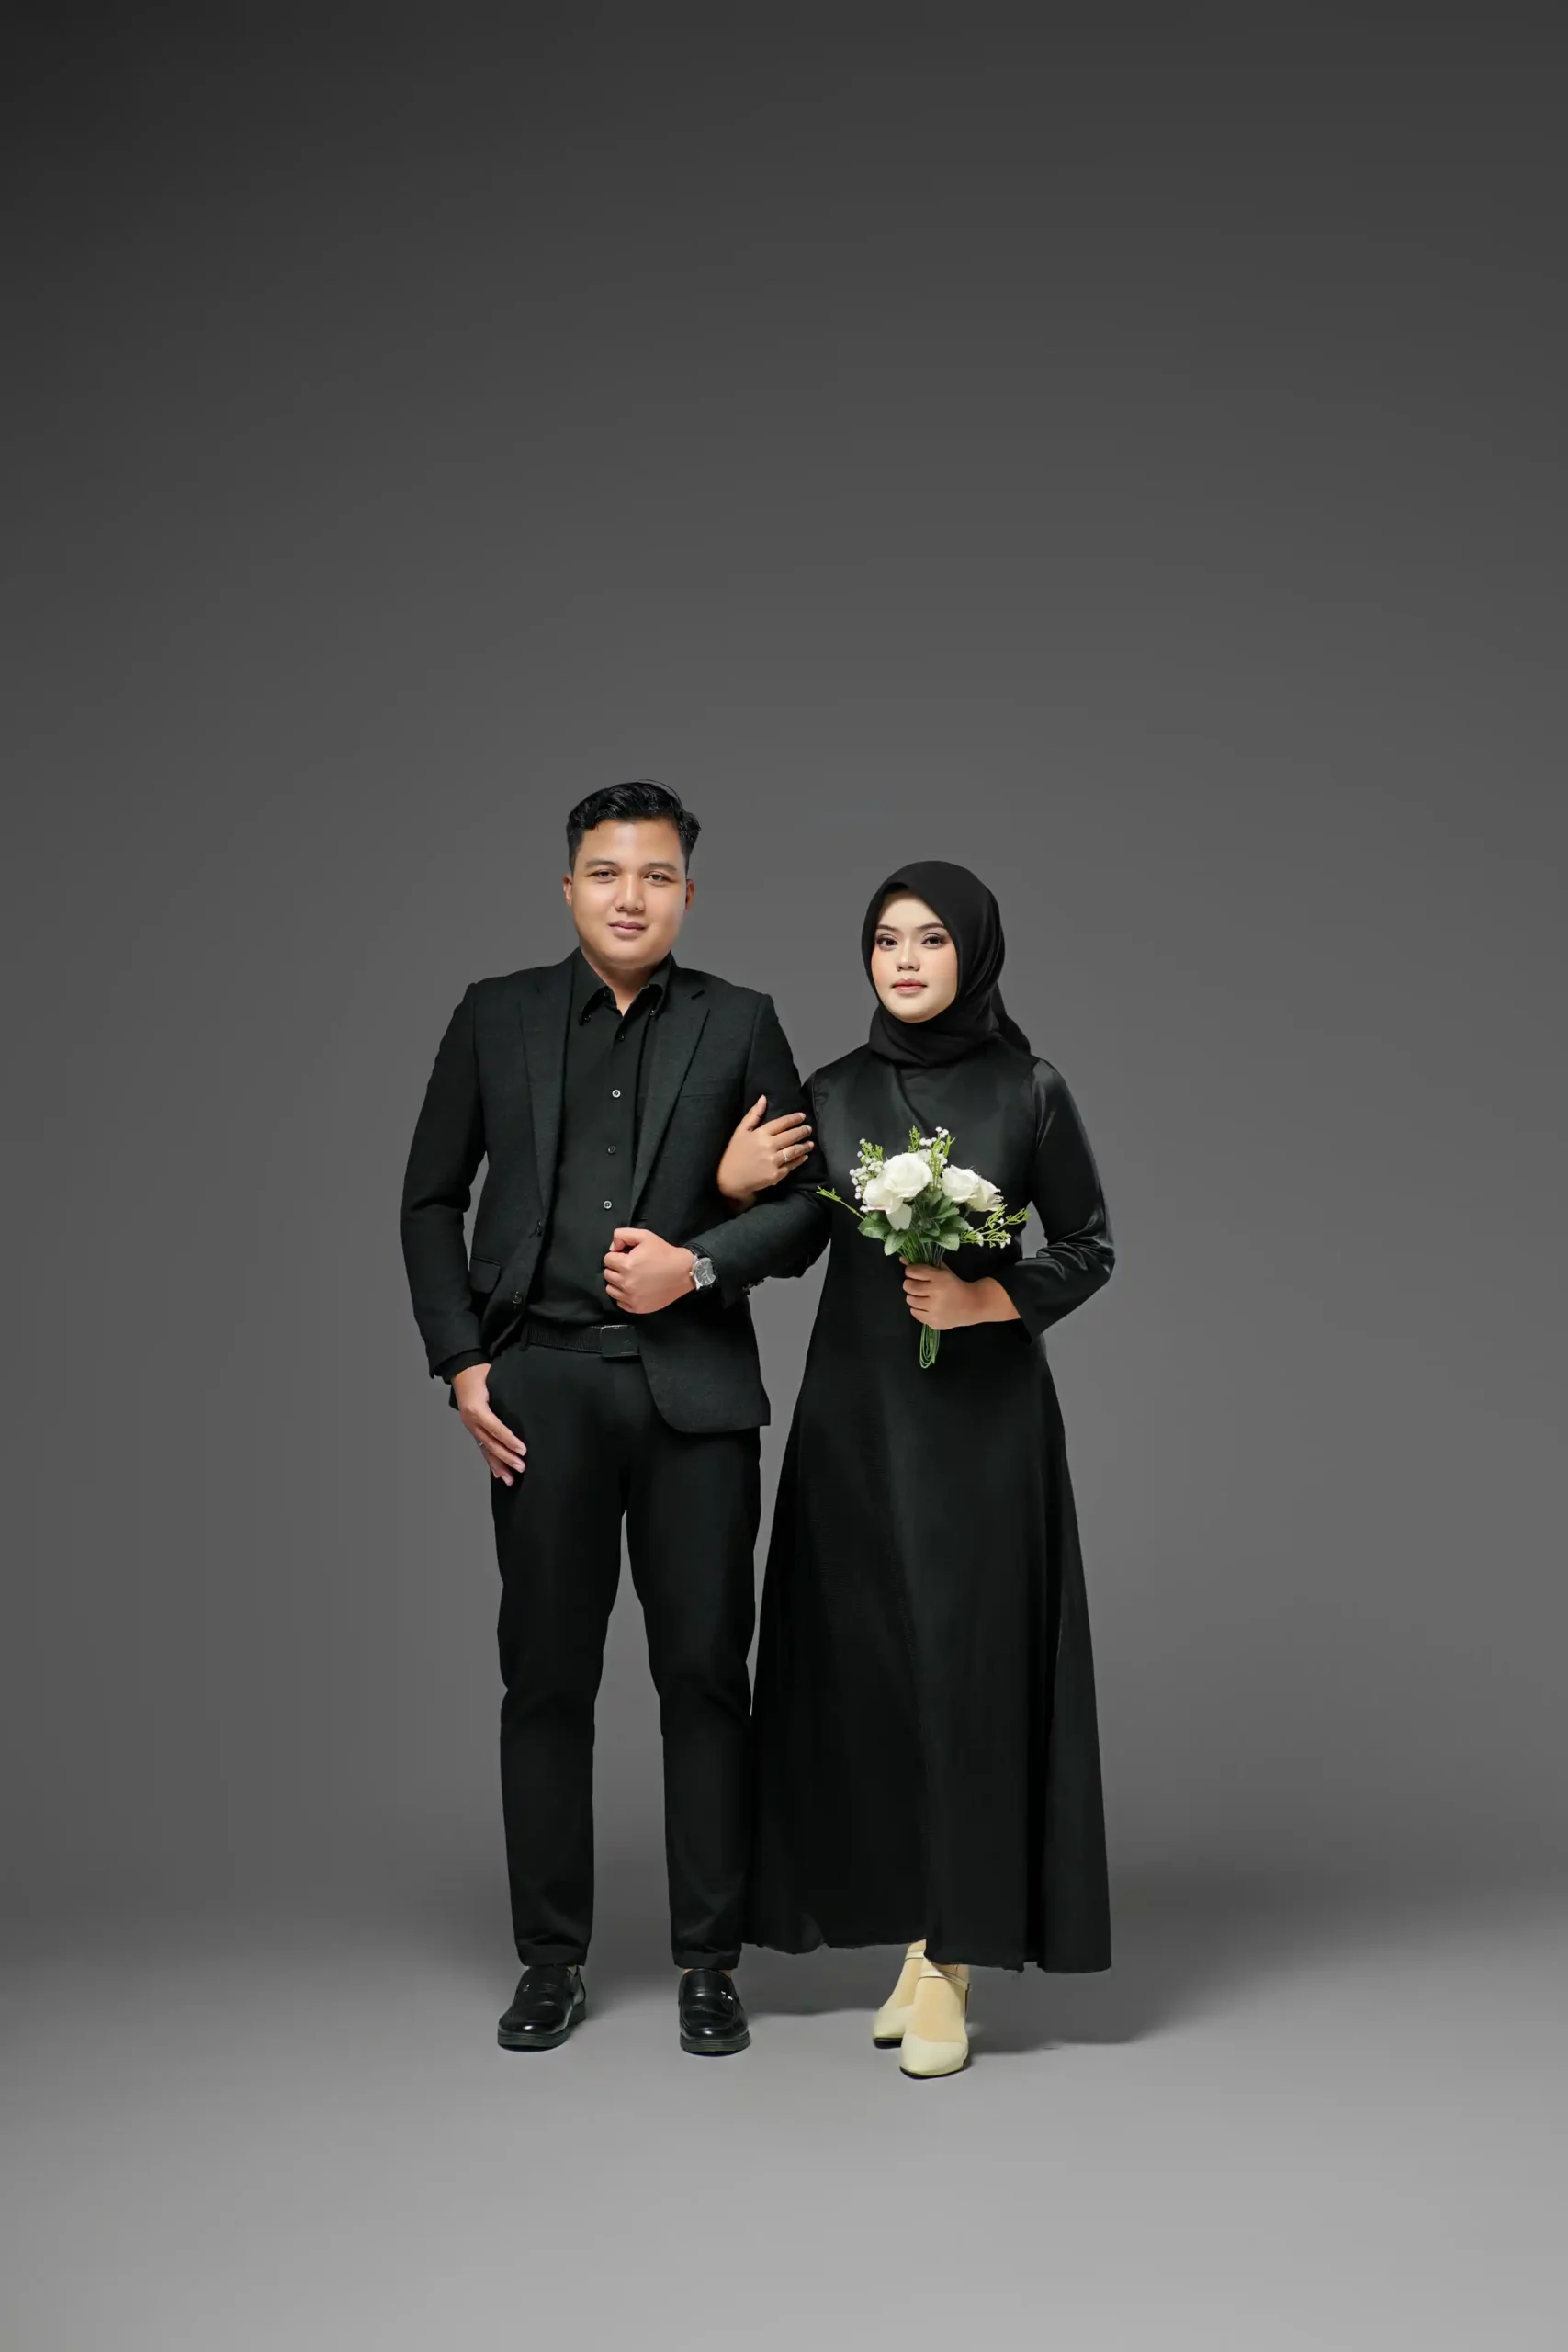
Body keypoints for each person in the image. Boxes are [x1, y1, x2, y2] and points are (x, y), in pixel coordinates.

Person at [400, 782, 819, 2057]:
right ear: (569, 886)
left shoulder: (741, 1021)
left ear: (688, 892)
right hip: (539, 1389)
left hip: (694, 1397)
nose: (629, 896)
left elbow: (807, 1214)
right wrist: (462, 1364)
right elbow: (429, 1199)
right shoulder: (497, 1015)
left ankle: (710, 1965)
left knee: (705, 1678)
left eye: (655, 874)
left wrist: (698, 1257)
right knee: (545, 1678)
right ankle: (550, 1961)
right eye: (605, 872)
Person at [726, 860, 1114, 2077]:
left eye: (930, 939)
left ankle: (954, 1960)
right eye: (886, 938)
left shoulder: (1028, 1089)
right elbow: (793, 1236)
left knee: (966, 1671)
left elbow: (1091, 1243)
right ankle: (916, 1935)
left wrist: (990, 1297)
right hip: (854, 1419)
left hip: (980, 1430)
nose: (903, 959)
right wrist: (729, 1193)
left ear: (974, 955)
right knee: (873, 1673)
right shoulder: (832, 1090)